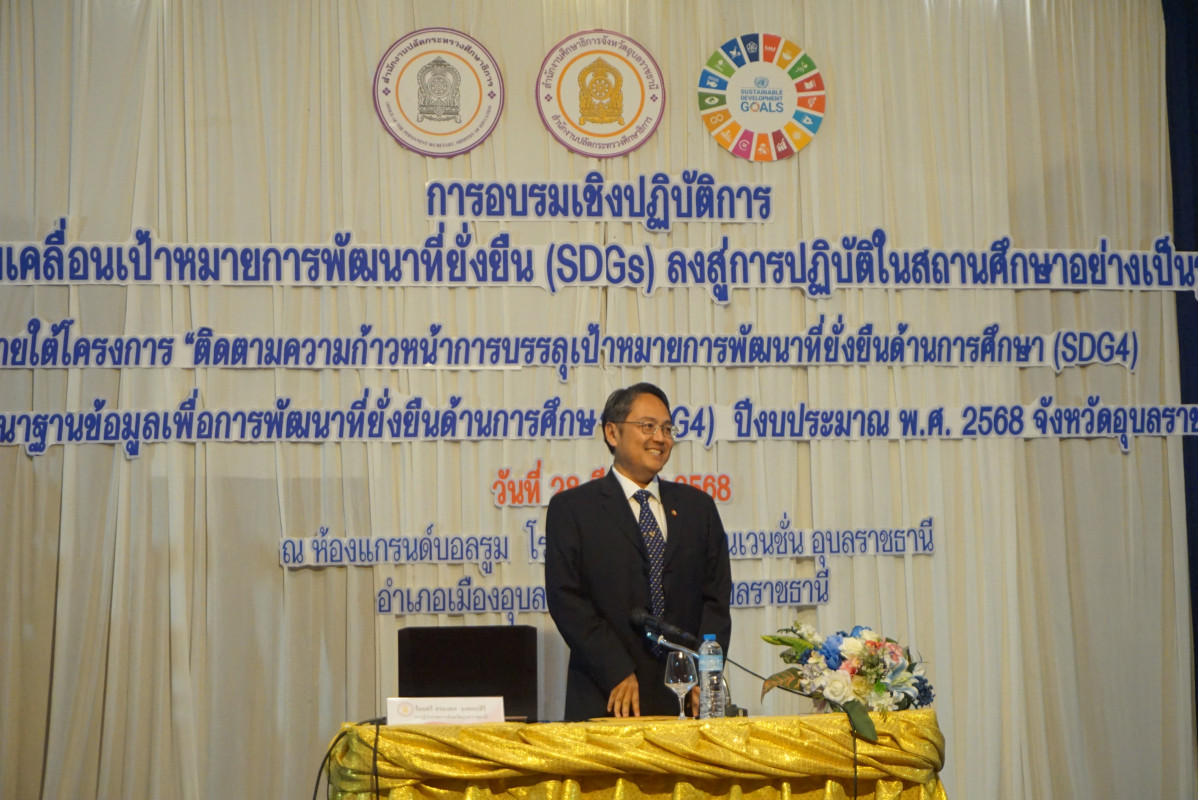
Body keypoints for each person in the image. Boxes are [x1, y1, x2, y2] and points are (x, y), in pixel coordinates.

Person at [545, 382, 732, 720]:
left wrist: (706, 674)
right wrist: (615, 669)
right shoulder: (574, 509)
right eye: (648, 426)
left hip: (686, 696)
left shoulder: (698, 508)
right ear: (612, 433)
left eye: (667, 429)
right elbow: (567, 600)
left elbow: (715, 600)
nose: (660, 438)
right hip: (609, 693)